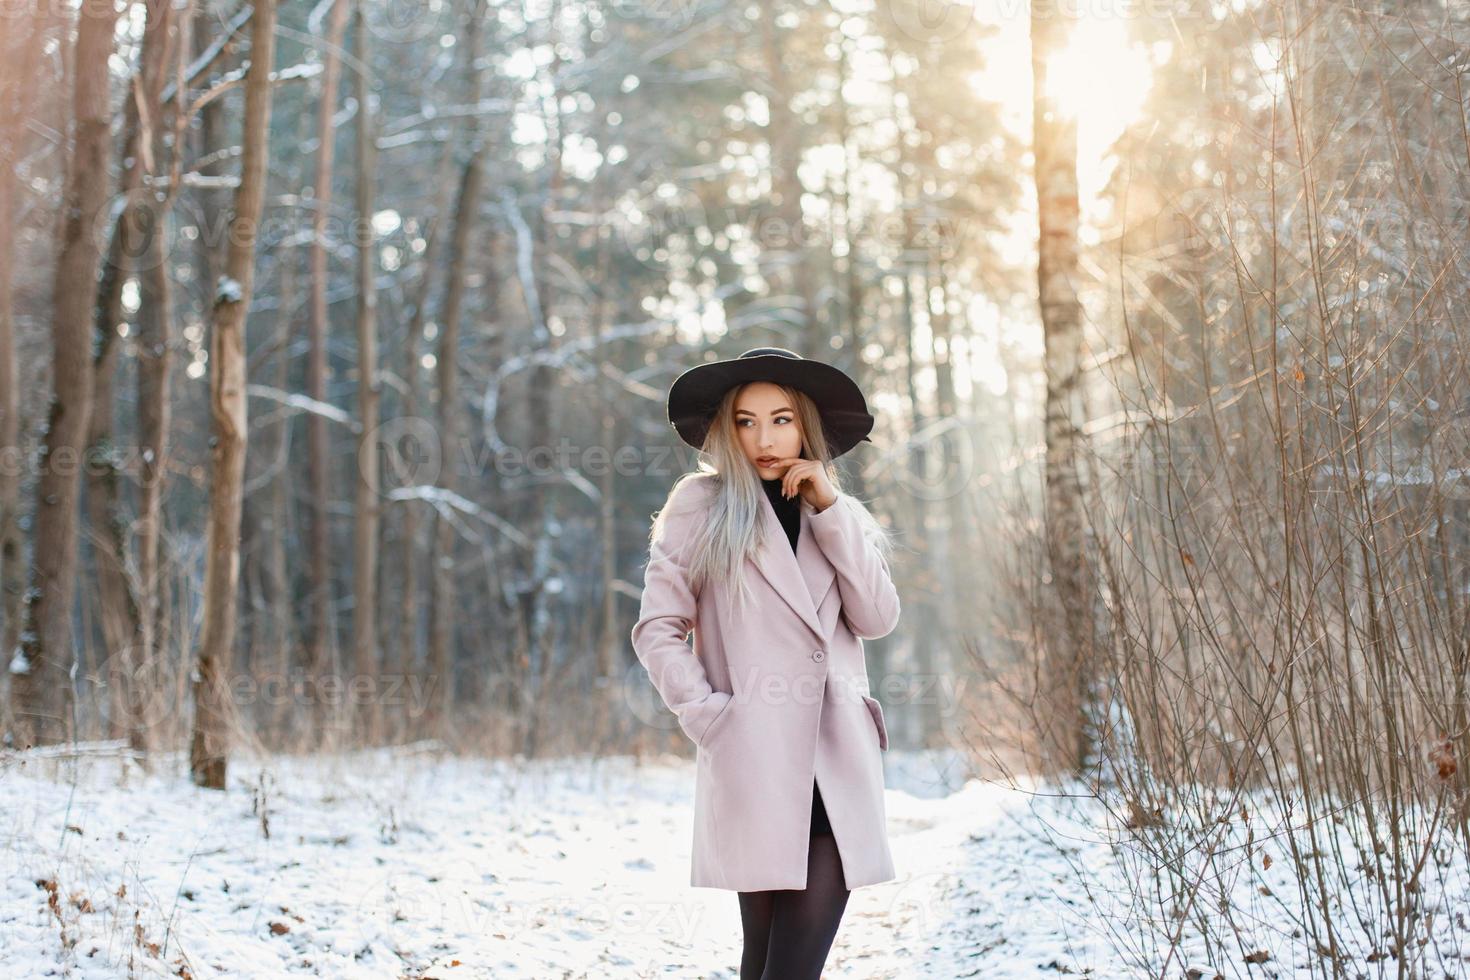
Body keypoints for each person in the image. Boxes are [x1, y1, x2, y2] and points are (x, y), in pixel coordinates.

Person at [631, 346, 902, 979]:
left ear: (805, 424)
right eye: (746, 421)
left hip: (833, 759)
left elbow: (877, 618)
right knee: (765, 963)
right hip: (753, 752)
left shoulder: (836, 512)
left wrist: (830, 509)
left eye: (780, 418)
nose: (763, 437)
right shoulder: (701, 505)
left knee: (789, 967)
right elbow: (658, 628)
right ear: (727, 429)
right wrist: (710, 717)